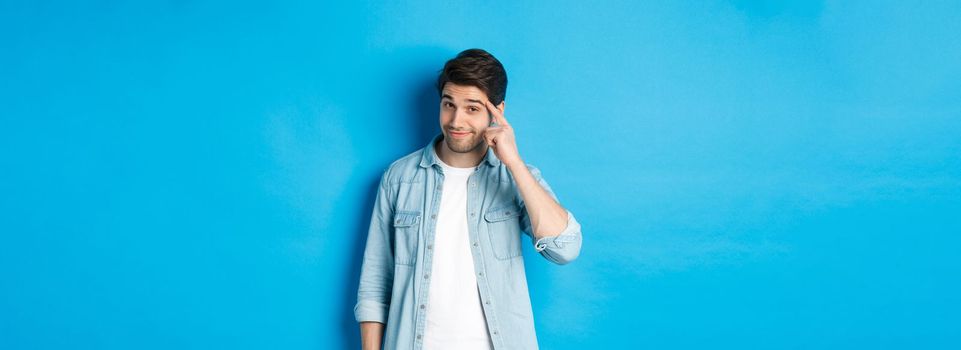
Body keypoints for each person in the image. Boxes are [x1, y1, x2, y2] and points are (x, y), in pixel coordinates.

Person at [354, 48, 583, 350]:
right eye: (449, 105)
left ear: (497, 111)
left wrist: (513, 162)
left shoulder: (515, 177)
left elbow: (564, 249)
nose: (456, 121)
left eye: (472, 108)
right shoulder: (398, 179)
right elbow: (374, 286)